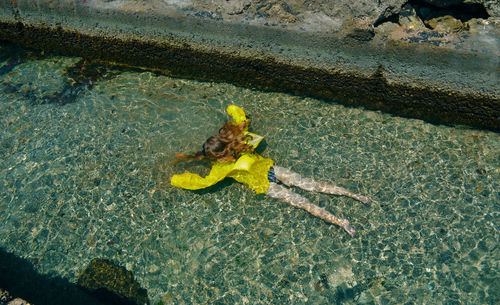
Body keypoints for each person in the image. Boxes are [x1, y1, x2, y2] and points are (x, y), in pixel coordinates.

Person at [170, 105, 371, 236]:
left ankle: (353, 195)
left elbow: (240, 123)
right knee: (304, 203)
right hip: (266, 185)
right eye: (221, 158)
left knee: (313, 185)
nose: (224, 159)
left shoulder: (238, 144)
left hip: (271, 170)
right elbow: (203, 182)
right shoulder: (220, 169)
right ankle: (340, 222)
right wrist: (177, 180)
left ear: (226, 149)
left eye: (223, 156)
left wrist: (233, 110)